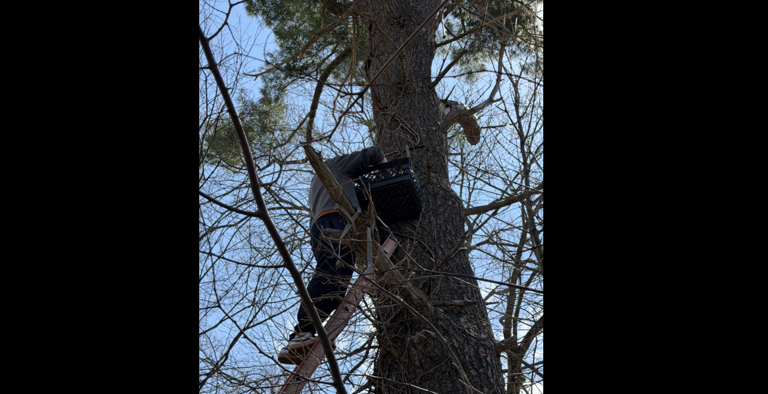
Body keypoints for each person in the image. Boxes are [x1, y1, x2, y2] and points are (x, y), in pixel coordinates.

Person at [278, 146, 387, 364]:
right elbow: (373, 153)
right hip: (335, 221)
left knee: (337, 276)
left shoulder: (320, 184)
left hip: (323, 226)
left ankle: (304, 332)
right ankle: (302, 333)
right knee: (333, 274)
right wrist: (387, 171)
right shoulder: (334, 166)